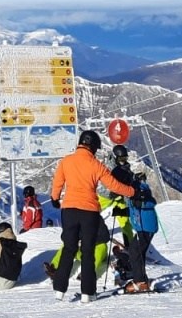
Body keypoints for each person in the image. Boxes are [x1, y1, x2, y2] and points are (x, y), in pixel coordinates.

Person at [49, 129, 137, 303]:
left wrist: (55, 198)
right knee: (88, 251)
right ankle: (87, 293)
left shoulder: (66, 161)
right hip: (89, 211)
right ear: (94, 147)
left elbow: (57, 182)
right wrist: (132, 191)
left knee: (68, 249)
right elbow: (113, 185)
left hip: (69, 210)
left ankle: (59, 289)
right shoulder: (96, 165)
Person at [120, 161, 158, 293]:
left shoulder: (141, 188)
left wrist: (140, 203)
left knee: (135, 252)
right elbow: (133, 209)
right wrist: (121, 211)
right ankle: (142, 280)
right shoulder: (133, 189)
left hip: (146, 227)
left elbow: (151, 202)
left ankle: (140, 282)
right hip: (142, 227)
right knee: (137, 252)